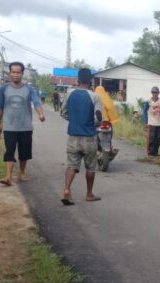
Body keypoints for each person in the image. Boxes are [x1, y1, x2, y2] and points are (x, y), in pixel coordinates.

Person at [0, 61, 45, 186]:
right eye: (13, 72)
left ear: (22, 74)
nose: (15, 75)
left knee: (24, 152)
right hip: (9, 127)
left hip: (25, 127)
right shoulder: (4, 88)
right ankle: (8, 176)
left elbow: (36, 102)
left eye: (18, 72)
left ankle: (22, 173)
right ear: (10, 73)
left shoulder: (29, 89)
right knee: (9, 151)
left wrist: (40, 114)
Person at [59, 68, 102, 205]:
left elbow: (63, 113)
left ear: (78, 80)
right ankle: (89, 194)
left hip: (73, 137)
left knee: (71, 165)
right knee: (90, 167)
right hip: (89, 137)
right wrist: (91, 124)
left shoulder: (69, 93)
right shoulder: (95, 96)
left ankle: (66, 190)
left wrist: (74, 121)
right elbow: (98, 118)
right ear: (90, 81)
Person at [142, 86, 160, 157]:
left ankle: (155, 152)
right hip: (151, 123)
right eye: (153, 92)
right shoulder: (148, 101)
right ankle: (150, 152)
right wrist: (145, 122)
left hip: (159, 123)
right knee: (151, 138)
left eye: (156, 92)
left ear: (158, 93)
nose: (155, 94)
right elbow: (144, 111)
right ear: (151, 93)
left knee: (159, 138)